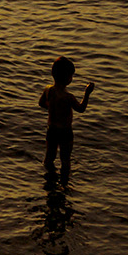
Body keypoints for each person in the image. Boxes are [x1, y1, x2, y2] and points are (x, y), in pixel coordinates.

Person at [39, 56, 94, 189]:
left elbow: (41, 103)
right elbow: (81, 109)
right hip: (65, 132)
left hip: (51, 129)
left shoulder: (48, 90)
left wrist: (52, 107)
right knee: (65, 160)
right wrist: (87, 93)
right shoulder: (68, 97)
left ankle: (49, 180)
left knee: (49, 157)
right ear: (68, 78)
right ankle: (64, 184)